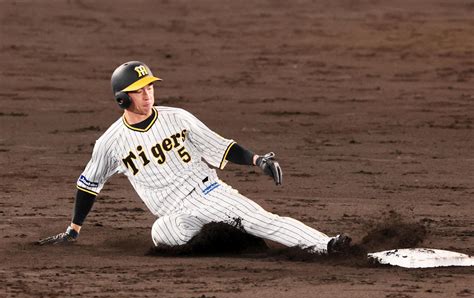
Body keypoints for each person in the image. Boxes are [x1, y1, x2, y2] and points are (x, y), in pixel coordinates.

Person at [38, 61, 351, 254]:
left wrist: (257, 160)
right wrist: (73, 231)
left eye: (150, 87)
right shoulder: (110, 142)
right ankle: (233, 240)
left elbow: (221, 147)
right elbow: (89, 185)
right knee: (161, 233)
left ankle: (327, 245)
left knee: (262, 221)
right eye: (139, 90)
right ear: (122, 98)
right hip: (178, 215)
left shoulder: (178, 118)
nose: (147, 95)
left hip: (207, 192)